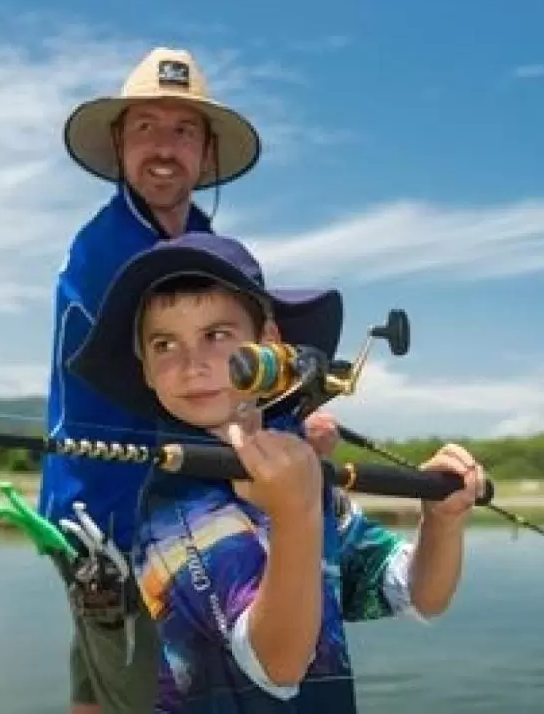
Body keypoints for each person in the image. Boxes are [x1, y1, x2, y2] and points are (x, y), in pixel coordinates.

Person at [41, 46, 343, 713]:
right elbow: (187, 387)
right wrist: (279, 435)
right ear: (119, 143)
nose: (163, 147)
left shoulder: (198, 241)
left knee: (99, 682)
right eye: (145, 127)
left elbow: (238, 368)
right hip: (109, 514)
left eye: (183, 130)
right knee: (144, 689)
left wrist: (293, 416)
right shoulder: (109, 253)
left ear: (206, 154)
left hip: (161, 503)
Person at [66, 232, 486, 711]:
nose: (191, 365)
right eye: (164, 344)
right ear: (144, 368)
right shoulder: (173, 510)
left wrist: (443, 523)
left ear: (269, 342)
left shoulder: (299, 472)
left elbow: (415, 593)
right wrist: (296, 514)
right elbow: (277, 665)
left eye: (217, 335)